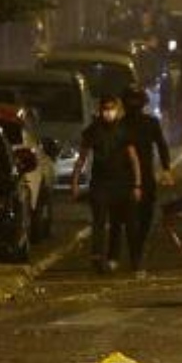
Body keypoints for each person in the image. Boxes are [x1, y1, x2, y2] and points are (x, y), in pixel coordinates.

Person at [71, 95, 143, 275]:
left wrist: (137, 184)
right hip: (100, 183)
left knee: (126, 223)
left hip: (122, 183)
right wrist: (75, 183)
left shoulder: (124, 130)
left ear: (117, 110)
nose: (108, 113)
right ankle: (97, 257)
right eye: (105, 109)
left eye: (112, 109)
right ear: (100, 110)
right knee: (99, 221)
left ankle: (131, 260)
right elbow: (82, 158)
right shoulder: (93, 131)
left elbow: (133, 158)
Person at [121, 86, 174, 272]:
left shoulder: (151, 123)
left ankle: (138, 248)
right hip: (125, 176)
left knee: (145, 216)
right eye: (131, 100)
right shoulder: (120, 124)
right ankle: (135, 254)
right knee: (131, 217)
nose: (134, 104)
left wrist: (166, 168)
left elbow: (161, 145)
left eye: (137, 100)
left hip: (146, 175)